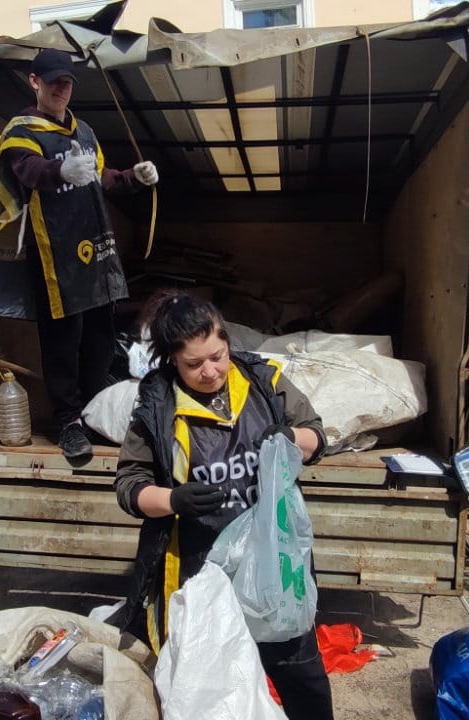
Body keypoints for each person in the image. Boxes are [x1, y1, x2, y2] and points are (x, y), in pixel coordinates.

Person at [111, 292, 335, 720]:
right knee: (213, 689)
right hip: (199, 572)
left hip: (273, 567)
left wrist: (292, 439)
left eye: (218, 355)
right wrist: (172, 499)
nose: (211, 371)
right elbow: (129, 486)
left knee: (300, 675)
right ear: (172, 361)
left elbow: (317, 436)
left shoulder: (263, 382)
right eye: (194, 364)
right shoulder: (157, 407)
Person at [0, 48, 159, 461]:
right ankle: (67, 422)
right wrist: (58, 171)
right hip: (53, 257)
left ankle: (93, 413)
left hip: (95, 252)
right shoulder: (21, 131)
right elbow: (25, 170)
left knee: (99, 342)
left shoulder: (84, 132)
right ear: (35, 82)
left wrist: (134, 177)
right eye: (53, 81)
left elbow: (101, 178)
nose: (61, 88)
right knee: (63, 344)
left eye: (67, 82)